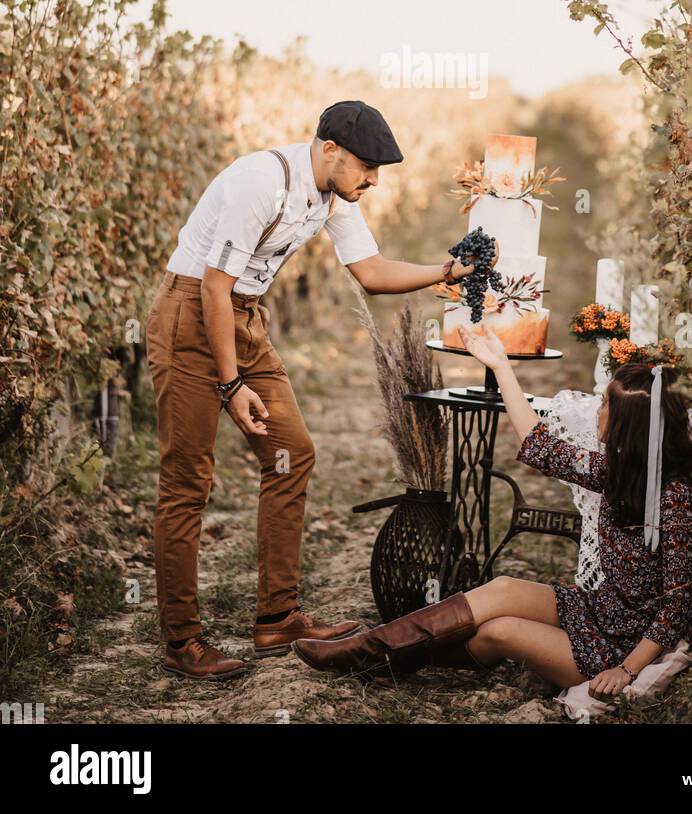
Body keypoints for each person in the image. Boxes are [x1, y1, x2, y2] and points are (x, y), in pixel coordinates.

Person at [147, 100, 492, 680]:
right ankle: (181, 640)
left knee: (292, 455)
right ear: (329, 149)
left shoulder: (334, 193)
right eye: (367, 167)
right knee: (188, 477)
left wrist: (448, 272)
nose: (374, 181)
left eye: (379, 171)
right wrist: (231, 384)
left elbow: (374, 272)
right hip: (191, 313)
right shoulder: (261, 181)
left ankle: (277, 616)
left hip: (243, 317)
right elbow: (212, 285)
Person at [293, 322, 692, 697]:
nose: (596, 411)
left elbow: (679, 604)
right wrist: (501, 365)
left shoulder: (675, 498)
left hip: (626, 645)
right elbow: (539, 445)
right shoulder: (620, 470)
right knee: (504, 587)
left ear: (628, 427)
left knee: (500, 631)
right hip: (601, 611)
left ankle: (380, 660)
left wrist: (626, 669)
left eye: (604, 406)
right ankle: (369, 649)